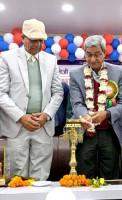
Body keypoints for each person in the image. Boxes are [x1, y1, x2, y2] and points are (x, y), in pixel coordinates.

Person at [0, 19, 63, 180]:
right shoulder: (6, 58)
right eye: (33, 40)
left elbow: (58, 93)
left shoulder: (51, 60)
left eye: (40, 40)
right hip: (17, 127)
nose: (37, 44)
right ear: (23, 38)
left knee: (41, 177)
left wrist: (46, 115)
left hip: (43, 126)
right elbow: (1, 93)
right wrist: (21, 117)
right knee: (16, 178)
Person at [70, 35, 122, 179]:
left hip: (110, 131)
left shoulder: (118, 72)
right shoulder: (76, 75)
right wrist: (86, 115)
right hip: (85, 132)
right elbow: (76, 103)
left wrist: (106, 113)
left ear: (104, 54)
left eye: (97, 55)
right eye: (89, 55)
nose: (93, 59)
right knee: (84, 174)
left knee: (109, 176)